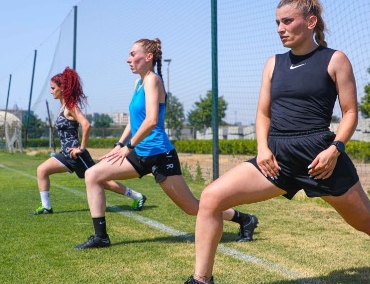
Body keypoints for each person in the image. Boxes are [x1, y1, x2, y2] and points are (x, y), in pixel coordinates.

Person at [163, 0, 370, 284]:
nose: (280, 29)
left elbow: (350, 113)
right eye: (277, 23)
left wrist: (335, 150)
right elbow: (263, 113)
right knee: (212, 197)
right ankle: (202, 281)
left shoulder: (335, 59)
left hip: (320, 160)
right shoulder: (273, 63)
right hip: (276, 158)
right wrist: (263, 149)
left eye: (287, 21)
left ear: (310, 22)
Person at [74, 38, 259, 250]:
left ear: (148, 57)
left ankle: (245, 219)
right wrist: (119, 144)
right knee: (93, 175)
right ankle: (101, 237)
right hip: (139, 152)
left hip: (160, 155)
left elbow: (151, 120)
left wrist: (128, 147)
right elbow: (135, 121)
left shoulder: (153, 80)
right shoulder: (139, 83)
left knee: (192, 208)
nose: (128, 59)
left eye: (133, 54)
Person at [31, 67, 147, 215]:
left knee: (103, 181)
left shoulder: (70, 107)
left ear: (62, 88)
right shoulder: (63, 107)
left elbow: (86, 125)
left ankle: (137, 196)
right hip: (66, 154)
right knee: (42, 170)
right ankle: (46, 207)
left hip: (77, 155)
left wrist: (81, 148)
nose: (51, 91)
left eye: (53, 88)